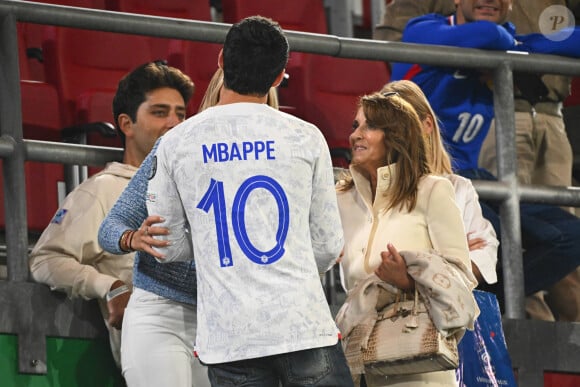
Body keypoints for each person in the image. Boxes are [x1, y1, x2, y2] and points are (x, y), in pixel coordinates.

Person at [143, 16, 354, 386]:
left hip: (230, 337)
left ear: (221, 60)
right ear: (278, 77)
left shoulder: (177, 142)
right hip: (301, 325)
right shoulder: (306, 137)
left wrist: (213, 243)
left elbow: (168, 244)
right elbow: (327, 245)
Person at [390, 0, 580, 321]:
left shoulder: (504, 44)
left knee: (570, 236)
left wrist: (515, 44)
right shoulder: (424, 29)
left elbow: (574, 39)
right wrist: (515, 45)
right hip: (420, 177)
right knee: (500, 244)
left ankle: (480, 301)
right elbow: (487, 36)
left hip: (470, 180)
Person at [97, 67, 280, 387]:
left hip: (226, 324)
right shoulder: (176, 147)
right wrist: (132, 238)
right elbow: (111, 226)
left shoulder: (279, 164)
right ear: (215, 97)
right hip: (159, 312)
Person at [29, 61, 194, 368]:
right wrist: (109, 287)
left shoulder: (197, 187)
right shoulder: (103, 190)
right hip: (155, 354)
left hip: (213, 352)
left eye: (181, 114)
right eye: (160, 112)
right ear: (126, 124)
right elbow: (45, 260)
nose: (174, 123)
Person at [335, 90, 478, 386]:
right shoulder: (341, 199)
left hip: (419, 368)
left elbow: (462, 279)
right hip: (360, 367)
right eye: (354, 126)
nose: (356, 135)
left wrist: (407, 281)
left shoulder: (432, 190)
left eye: (369, 126)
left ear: (396, 136)